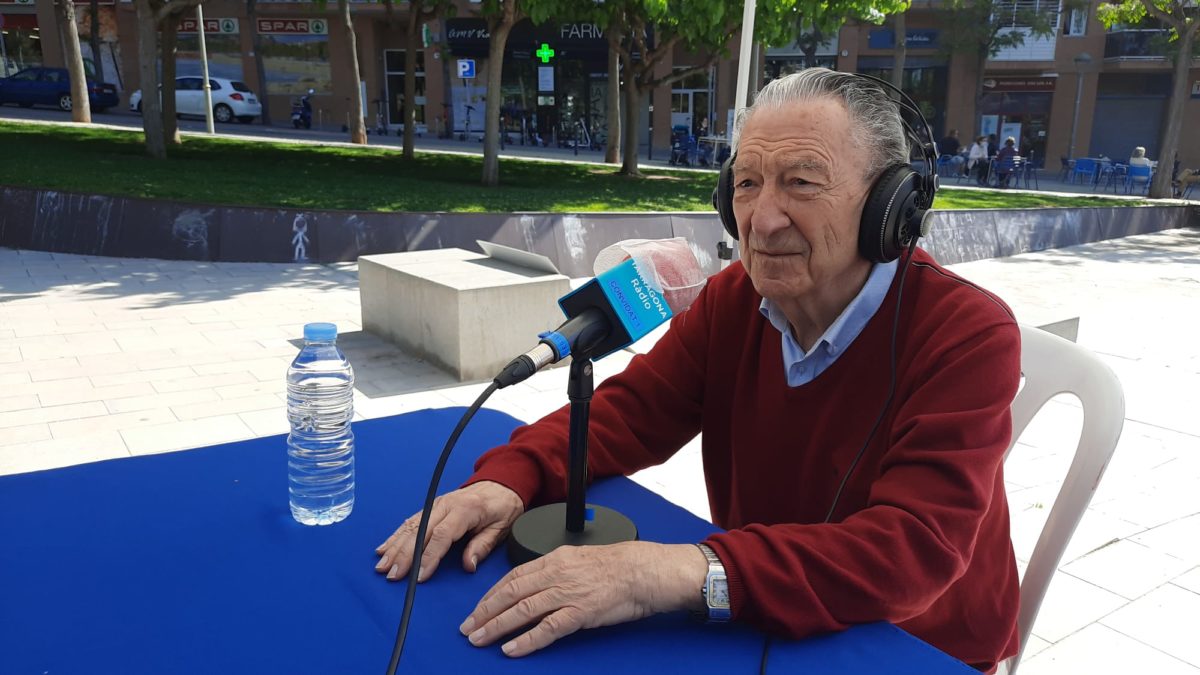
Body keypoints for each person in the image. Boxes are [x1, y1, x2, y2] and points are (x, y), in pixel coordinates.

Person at [375, 68, 1022, 672]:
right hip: (757, 604)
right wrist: (511, 480)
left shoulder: (968, 333)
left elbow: (911, 551)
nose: (761, 220)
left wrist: (657, 573)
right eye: (746, 182)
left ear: (891, 204)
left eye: (801, 182)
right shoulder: (735, 299)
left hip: (914, 643)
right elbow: (627, 415)